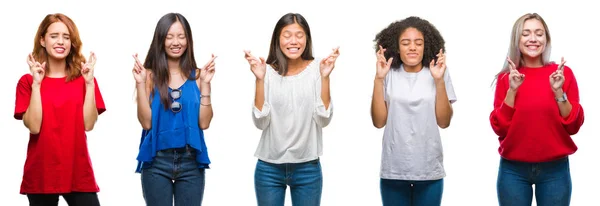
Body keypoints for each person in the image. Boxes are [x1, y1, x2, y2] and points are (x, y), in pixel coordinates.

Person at [244, 12, 339, 206]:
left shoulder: (318, 68)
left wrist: (326, 77)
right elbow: (261, 122)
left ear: (307, 38)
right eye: (287, 35)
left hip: (308, 168)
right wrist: (260, 80)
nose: (293, 41)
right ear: (277, 39)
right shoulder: (266, 70)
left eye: (299, 35)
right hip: (269, 168)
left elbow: (324, 119)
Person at [490, 13, 585, 206]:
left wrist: (558, 92)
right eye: (526, 34)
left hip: (555, 171)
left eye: (539, 33)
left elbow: (574, 125)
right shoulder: (506, 78)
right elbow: (500, 128)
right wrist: (512, 90)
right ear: (517, 40)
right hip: (513, 170)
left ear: (546, 39)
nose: (533, 39)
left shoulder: (562, 74)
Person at [14, 13, 106, 206]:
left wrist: (89, 84)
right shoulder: (27, 82)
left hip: (78, 171)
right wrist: (37, 86)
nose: (61, 41)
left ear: (72, 43)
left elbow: (88, 125)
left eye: (66, 37)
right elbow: (34, 127)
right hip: (41, 173)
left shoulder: (85, 79)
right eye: (54, 35)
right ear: (42, 40)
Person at [371, 16, 457, 206]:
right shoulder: (387, 73)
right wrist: (378, 79)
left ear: (426, 46)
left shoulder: (438, 72)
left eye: (418, 43)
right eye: (405, 43)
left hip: (428, 168)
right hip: (394, 168)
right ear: (396, 46)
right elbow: (378, 122)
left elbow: (444, 122)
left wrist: (439, 80)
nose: (412, 47)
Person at [132, 12, 217, 206]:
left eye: (181, 36)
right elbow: (146, 123)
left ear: (188, 40)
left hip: (190, 161)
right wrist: (140, 83)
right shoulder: (149, 76)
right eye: (169, 37)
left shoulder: (199, 75)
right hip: (157, 161)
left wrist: (205, 85)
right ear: (160, 40)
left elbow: (204, 123)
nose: (175, 42)